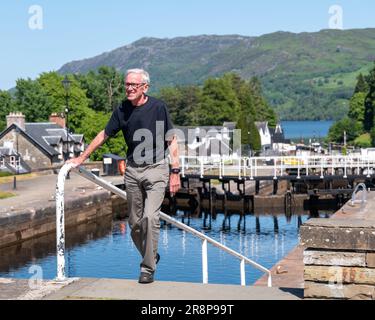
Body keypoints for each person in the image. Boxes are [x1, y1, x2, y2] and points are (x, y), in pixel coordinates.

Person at [67, 68, 181, 284]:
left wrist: (175, 170)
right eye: (127, 84)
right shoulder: (122, 109)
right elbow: (104, 134)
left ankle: (147, 268)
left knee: (150, 217)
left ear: (144, 87)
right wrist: (81, 158)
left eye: (133, 85)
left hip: (156, 168)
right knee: (135, 223)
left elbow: (171, 139)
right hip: (132, 170)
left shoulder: (158, 107)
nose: (129, 88)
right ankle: (152, 255)